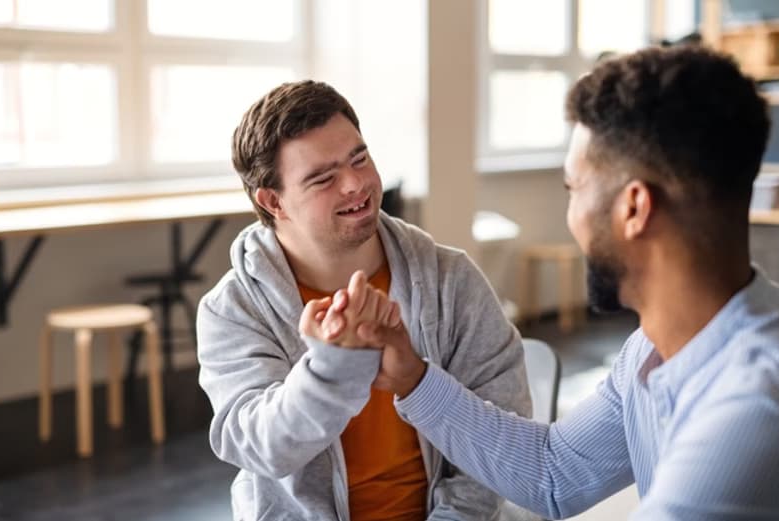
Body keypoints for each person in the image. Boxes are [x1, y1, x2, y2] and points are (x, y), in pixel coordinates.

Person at [312, 46, 779, 519]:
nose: (570, 214)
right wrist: (413, 377)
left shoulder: (759, 407)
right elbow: (554, 473)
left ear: (634, 208)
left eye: (573, 188)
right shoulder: (654, 349)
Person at [196, 80, 531, 521]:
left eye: (360, 158)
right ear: (274, 201)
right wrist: (332, 368)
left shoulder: (451, 279)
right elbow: (262, 448)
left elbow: (500, 437)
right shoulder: (233, 308)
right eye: (324, 178)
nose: (356, 184)